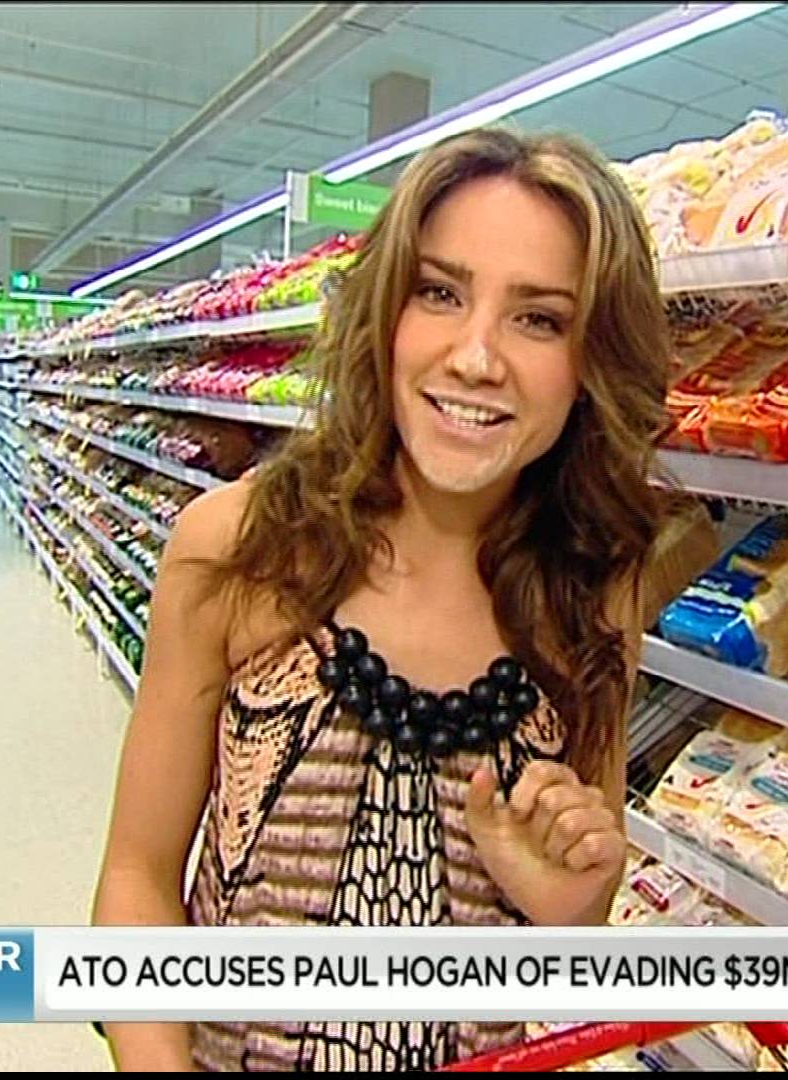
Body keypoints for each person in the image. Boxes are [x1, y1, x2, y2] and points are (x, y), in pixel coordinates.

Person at [91, 127, 672, 1072]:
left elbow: (575, 922)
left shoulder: (592, 590)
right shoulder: (236, 548)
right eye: (439, 293)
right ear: (384, 311)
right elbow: (137, 877)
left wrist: (565, 900)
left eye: (539, 319)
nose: (475, 356)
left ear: (592, 367)